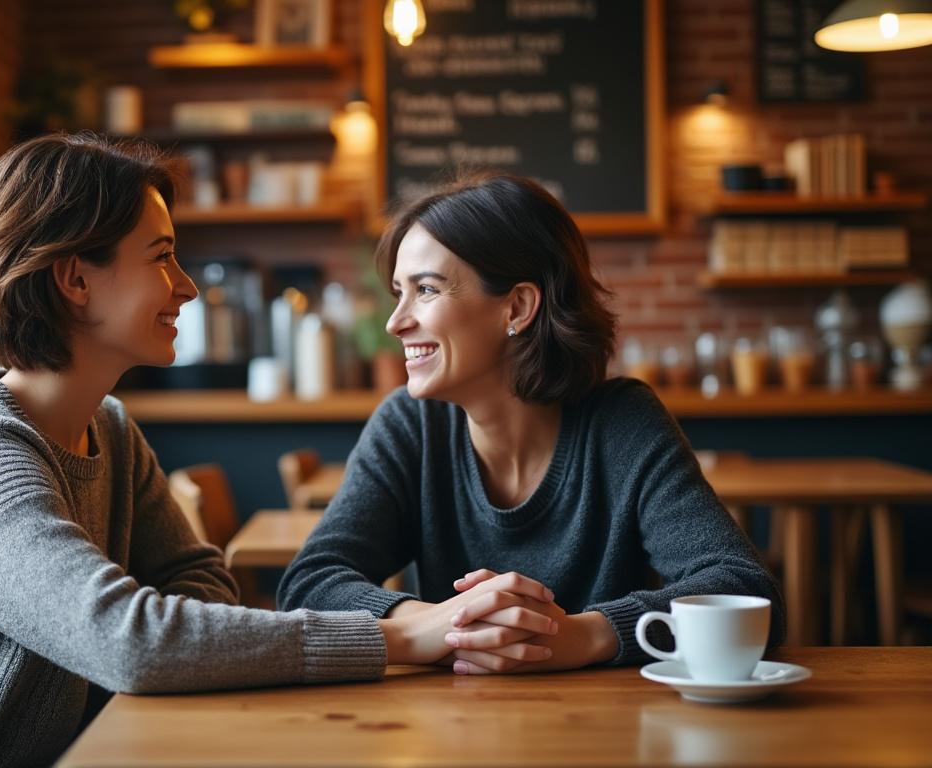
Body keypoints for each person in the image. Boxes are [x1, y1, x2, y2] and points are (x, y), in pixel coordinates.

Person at [0, 135, 545, 767]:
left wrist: (168, 637)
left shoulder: (105, 426)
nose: (188, 287)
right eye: (163, 258)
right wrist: (396, 637)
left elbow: (200, 583)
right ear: (75, 279)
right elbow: (132, 642)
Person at [278, 172, 785, 675]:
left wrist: (585, 635)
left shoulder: (621, 423)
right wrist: (436, 624)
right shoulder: (409, 426)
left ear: (517, 307)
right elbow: (310, 582)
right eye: (398, 292)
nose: (396, 321)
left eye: (426, 290)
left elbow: (745, 591)